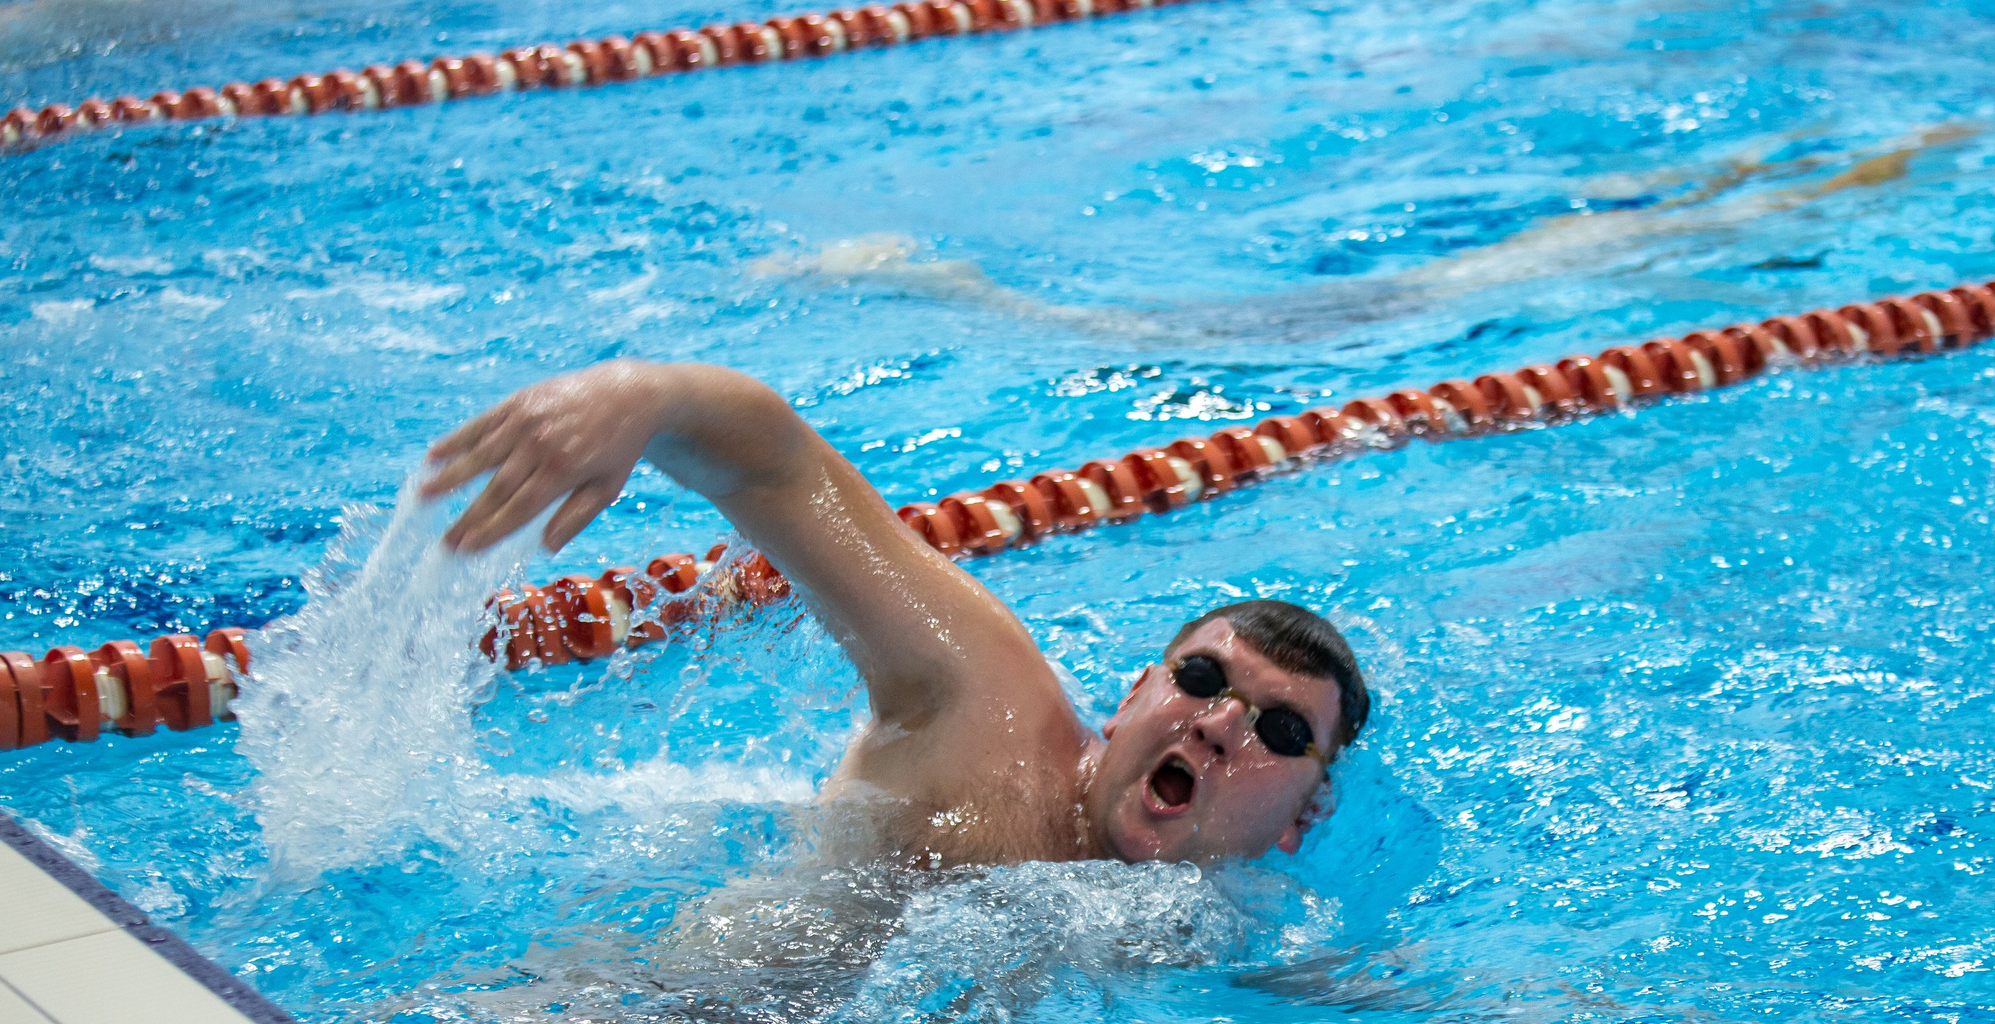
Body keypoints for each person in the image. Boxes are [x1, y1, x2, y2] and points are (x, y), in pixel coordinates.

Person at [425, 361, 1370, 868]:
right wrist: (644, 398)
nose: (1214, 727)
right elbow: (780, 466)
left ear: (1302, 816)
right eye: (1202, 680)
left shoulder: (1223, 935)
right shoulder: (986, 703)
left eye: (1279, 730)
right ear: (1130, 699)